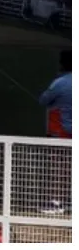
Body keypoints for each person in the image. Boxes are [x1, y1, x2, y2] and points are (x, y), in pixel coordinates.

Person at [39, 49, 71, 215]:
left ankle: (56, 202)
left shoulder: (60, 83)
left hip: (60, 131)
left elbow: (43, 100)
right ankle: (70, 201)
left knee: (58, 168)